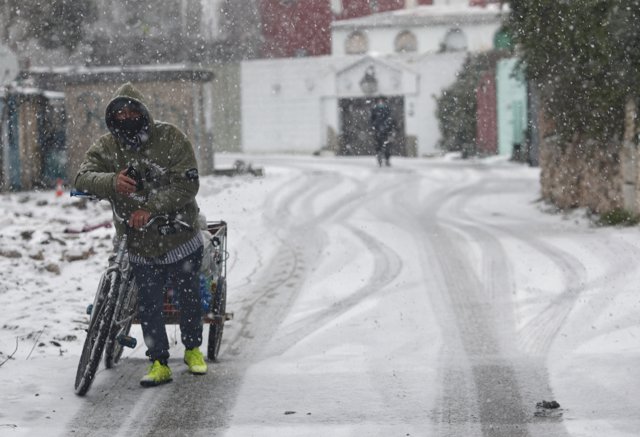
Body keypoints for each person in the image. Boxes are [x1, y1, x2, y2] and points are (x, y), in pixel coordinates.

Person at [75, 82, 207, 387]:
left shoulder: (171, 138)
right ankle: (159, 361)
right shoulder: (107, 147)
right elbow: (82, 176)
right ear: (112, 118)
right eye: (119, 114)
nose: (126, 117)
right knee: (149, 304)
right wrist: (111, 181)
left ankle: (192, 349)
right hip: (137, 242)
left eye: (132, 111)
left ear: (143, 112)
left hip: (179, 236)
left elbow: (188, 184)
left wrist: (151, 208)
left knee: (187, 296)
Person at [370, 98, 395, 167]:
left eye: (382, 101)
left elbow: (391, 120)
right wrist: (374, 128)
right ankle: (379, 158)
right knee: (379, 146)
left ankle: (387, 159)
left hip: (386, 131)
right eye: (379, 101)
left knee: (387, 146)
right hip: (378, 130)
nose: (380, 102)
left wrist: (390, 128)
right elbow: (372, 120)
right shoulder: (375, 110)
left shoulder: (387, 109)